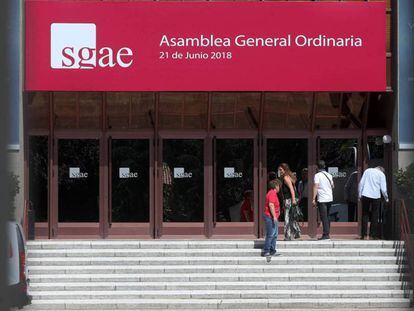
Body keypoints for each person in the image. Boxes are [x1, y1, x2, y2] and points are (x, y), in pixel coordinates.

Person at [358, 166, 389, 240]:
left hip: (365, 195)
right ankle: (373, 235)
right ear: (381, 170)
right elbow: (383, 189)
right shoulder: (381, 175)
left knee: (365, 214)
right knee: (375, 216)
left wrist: (359, 195)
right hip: (376, 196)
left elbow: (361, 183)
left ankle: (364, 235)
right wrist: (386, 199)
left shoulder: (367, 171)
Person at [278, 163, 301, 241]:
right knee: (292, 217)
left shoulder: (285, 177)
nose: (279, 171)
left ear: (285, 169)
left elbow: (291, 188)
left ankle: (288, 236)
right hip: (292, 199)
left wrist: (293, 199)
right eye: (279, 169)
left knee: (287, 217)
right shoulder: (289, 176)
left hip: (289, 199)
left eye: (281, 169)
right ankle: (296, 233)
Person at [312, 160, 334, 241]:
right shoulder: (329, 175)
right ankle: (327, 233)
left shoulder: (317, 175)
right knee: (327, 216)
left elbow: (316, 186)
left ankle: (326, 235)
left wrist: (313, 198)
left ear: (317, 167)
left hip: (322, 199)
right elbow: (333, 186)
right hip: (330, 198)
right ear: (324, 166)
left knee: (324, 217)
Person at [262, 179, 282, 257]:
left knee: (275, 234)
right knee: (271, 234)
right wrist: (274, 216)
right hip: (270, 217)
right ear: (276, 186)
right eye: (279, 186)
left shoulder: (272, 193)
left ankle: (272, 250)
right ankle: (267, 251)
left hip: (273, 217)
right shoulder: (272, 193)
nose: (279, 188)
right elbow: (271, 205)